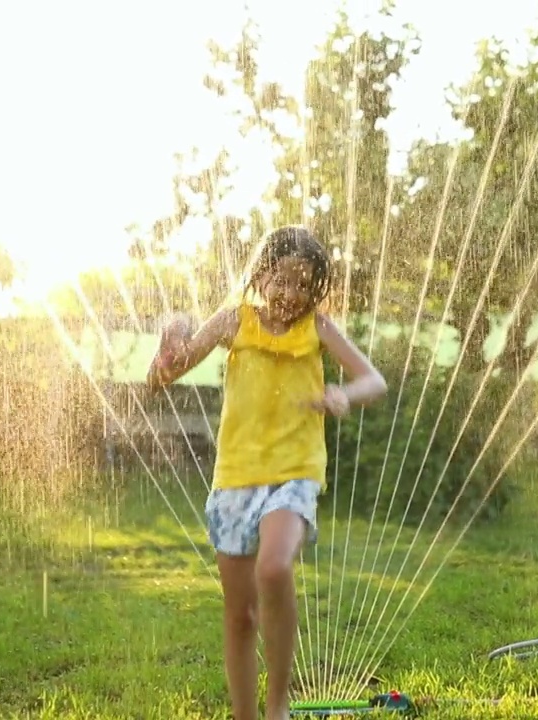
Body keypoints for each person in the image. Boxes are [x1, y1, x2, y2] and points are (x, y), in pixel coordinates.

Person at [147, 225, 388, 720]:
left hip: (294, 473)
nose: (291, 294)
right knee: (240, 616)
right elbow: (170, 371)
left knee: (274, 568)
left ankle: (276, 707)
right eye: (281, 280)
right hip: (235, 478)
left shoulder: (317, 328)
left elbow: (374, 380)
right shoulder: (235, 321)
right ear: (261, 275)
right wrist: (169, 342)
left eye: (303, 285)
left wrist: (345, 395)